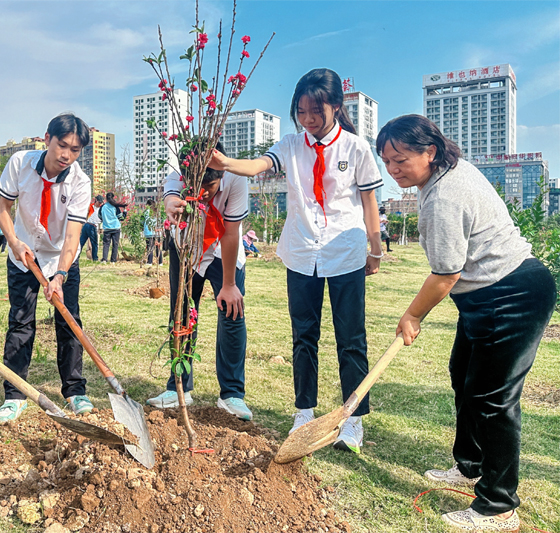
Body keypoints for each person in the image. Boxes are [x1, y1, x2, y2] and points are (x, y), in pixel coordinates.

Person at [378, 115, 554, 532]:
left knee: (493, 397)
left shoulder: (445, 196)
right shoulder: (443, 174)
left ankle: (498, 505)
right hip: (484, 295)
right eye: (387, 162)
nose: (393, 170)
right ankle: (470, 464)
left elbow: (445, 275)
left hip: (511, 294)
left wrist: (412, 315)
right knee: (464, 376)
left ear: (430, 152)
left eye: (400, 160)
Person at [210, 68, 384, 452]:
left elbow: (369, 202)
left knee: (351, 339)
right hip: (302, 253)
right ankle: (303, 412)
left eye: (315, 112)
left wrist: (375, 249)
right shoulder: (291, 144)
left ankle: (352, 420)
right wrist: (226, 163)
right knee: (304, 336)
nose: (308, 119)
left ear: (335, 106)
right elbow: (258, 165)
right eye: (301, 111)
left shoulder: (356, 148)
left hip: (345, 252)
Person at [0, 113, 94, 422]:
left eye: (75, 150)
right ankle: (15, 395)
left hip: (61, 258)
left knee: (68, 321)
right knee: (21, 322)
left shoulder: (80, 182)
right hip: (23, 254)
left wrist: (60, 276)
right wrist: (14, 242)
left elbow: (73, 235)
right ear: (47, 138)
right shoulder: (20, 163)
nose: (66, 155)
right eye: (62, 145)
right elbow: (3, 208)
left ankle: (75, 391)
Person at [146, 141, 252, 421]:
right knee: (181, 315)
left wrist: (229, 285)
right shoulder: (177, 175)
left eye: (210, 187)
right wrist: (172, 206)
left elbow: (231, 232)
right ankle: (178, 387)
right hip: (187, 250)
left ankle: (232, 394)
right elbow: (170, 198)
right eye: (197, 187)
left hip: (223, 251)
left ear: (222, 173)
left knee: (232, 314)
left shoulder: (236, 179)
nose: (203, 193)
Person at [100, 192, 126, 263]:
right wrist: (125, 213)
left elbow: (99, 216)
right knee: (115, 244)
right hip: (115, 228)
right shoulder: (115, 207)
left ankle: (104, 259)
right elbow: (121, 218)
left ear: (106, 198)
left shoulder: (103, 207)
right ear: (113, 198)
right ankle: (113, 260)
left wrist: (105, 220)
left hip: (106, 228)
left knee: (106, 244)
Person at [80, 195, 103, 261]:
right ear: (96, 200)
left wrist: (101, 228)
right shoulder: (90, 207)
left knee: (89, 243)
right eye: (99, 202)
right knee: (88, 243)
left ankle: (93, 257)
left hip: (93, 227)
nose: (99, 204)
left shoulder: (100, 208)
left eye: (101, 202)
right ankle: (94, 258)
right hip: (90, 226)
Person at [143, 198, 162, 266]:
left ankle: (150, 262)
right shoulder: (157, 212)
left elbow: (142, 220)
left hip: (149, 232)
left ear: (148, 205)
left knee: (150, 248)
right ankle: (160, 262)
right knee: (158, 248)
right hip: (157, 232)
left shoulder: (146, 211)